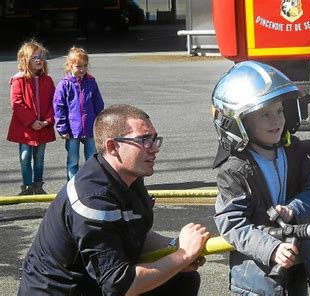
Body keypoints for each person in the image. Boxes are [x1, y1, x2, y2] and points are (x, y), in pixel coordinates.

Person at [18, 104, 210, 295]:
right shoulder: (93, 199)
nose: (154, 149)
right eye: (144, 140)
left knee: (183, 279)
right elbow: (120, 285)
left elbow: (135, 233)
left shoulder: (129, 176)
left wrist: (173, 246)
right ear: (113, 146)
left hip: (96, 283)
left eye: (154, 139)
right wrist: (182, 255)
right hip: (63, 291)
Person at [211, 61, 310, 295]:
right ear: (239, 122)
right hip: (257, 278)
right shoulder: (233, 170)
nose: (276, 121)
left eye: (280, 111)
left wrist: (294, 209)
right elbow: (233, 224)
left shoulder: (293, 150)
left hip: (297, 266)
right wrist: (271, 249)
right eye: (265, 114)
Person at [7, 40, 56, 195]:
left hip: (43, 127)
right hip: (25, 129)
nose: (39, 60)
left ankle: (38, 185)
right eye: (35, 57)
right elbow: (17, 103)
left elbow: (54, 102)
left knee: (39, 158)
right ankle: (27, 186)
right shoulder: (19, 80)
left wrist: (47, 120)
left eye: (41, 57)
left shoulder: (48, 80)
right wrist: (32, 121)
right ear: (25, 60)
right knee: (25, 156)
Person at [53, 46, 105, 181]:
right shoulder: (64, 85)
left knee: (92, 159)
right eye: (78, 66)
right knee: (73, 160)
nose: (82, 69)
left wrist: (99, 122)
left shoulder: (91, 82)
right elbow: (59, 108)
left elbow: (98, 102)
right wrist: (62, 128)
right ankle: (72, 185)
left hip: (90, 127)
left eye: (85, 65)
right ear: (69, 66)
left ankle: (90, 183)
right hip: (72, 130)